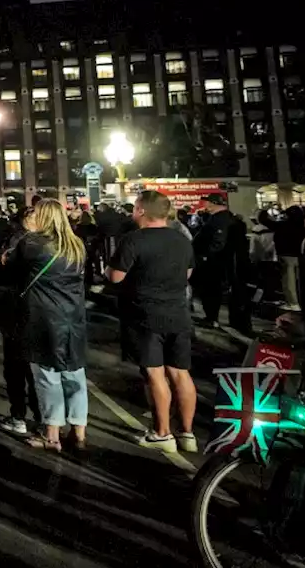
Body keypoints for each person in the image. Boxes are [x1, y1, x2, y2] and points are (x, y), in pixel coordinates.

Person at [108, 190, 197, 452]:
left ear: (142, 211)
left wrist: (108, 271)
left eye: (136, 207)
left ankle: (162, 433)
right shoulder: (182, 240)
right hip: (178, 313)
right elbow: (188, 273)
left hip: (145, 314)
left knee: (155, 374)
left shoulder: (133, 240)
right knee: (181, 374)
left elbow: (116, 277)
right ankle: (187, 433)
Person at [5, 200, 89, 452]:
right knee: (75, 374)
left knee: (47, 376)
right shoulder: (77, 245)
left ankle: (52, 434)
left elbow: (10, 274)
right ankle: (79, 432)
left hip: (42, 317)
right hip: (73, 317)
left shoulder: (32, 244)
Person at [192, 193, 243, 330]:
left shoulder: (220, 219)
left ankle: (211, 318)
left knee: (210, 291)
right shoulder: (219, 217)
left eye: (207, 202)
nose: (205, 204)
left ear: (213, 203)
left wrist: (205, 257)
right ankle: (211, 317)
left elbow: (218, 242)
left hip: (212, 264)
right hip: (215, 263)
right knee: (211, 291)